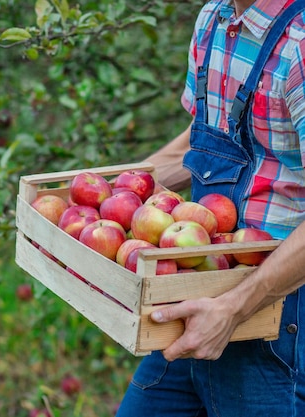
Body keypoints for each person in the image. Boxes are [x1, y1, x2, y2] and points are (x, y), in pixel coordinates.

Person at [116, 0, 305, 416]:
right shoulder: (214, 19)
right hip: (202, 286)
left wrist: (233, 308)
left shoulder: (299, 46)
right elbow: (204, 137)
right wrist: (119, 195)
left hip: (277, 311)